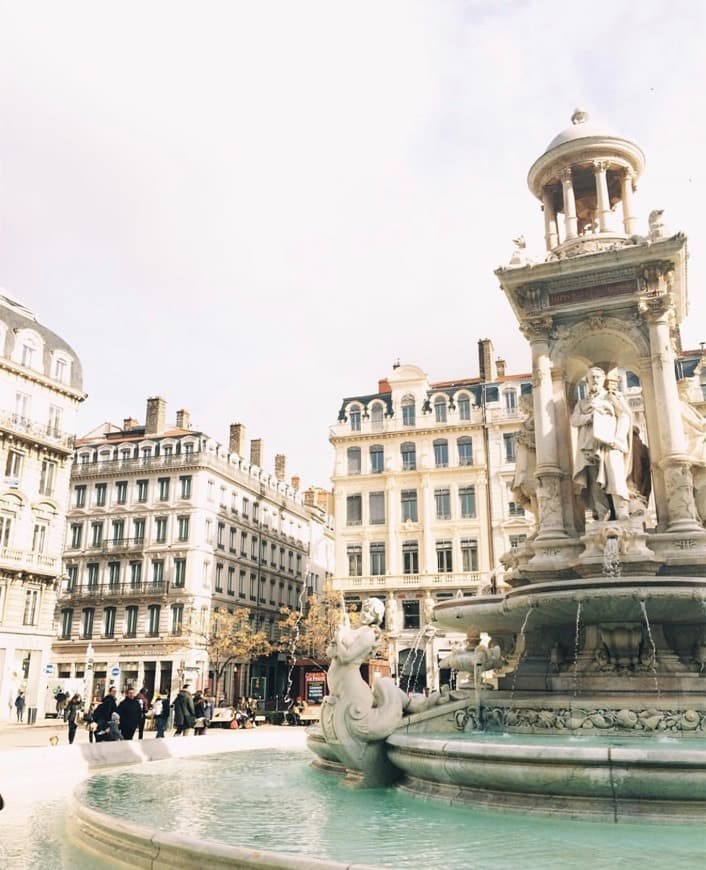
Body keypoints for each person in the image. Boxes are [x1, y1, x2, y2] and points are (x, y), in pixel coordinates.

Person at [571, 366, 632, 521]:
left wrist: (618, 439)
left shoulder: (612, 397)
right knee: (594, 483)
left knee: (615, 475)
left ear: (603, 379)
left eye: (598, 377)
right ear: (587, 381)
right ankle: (602, 514)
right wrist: (588, 417)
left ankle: (622, 511)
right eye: (591, 377)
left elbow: (624, 416)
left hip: (610, 444)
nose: (595, 380)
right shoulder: (582, 403)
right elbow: (574, 420)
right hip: (589, 446)